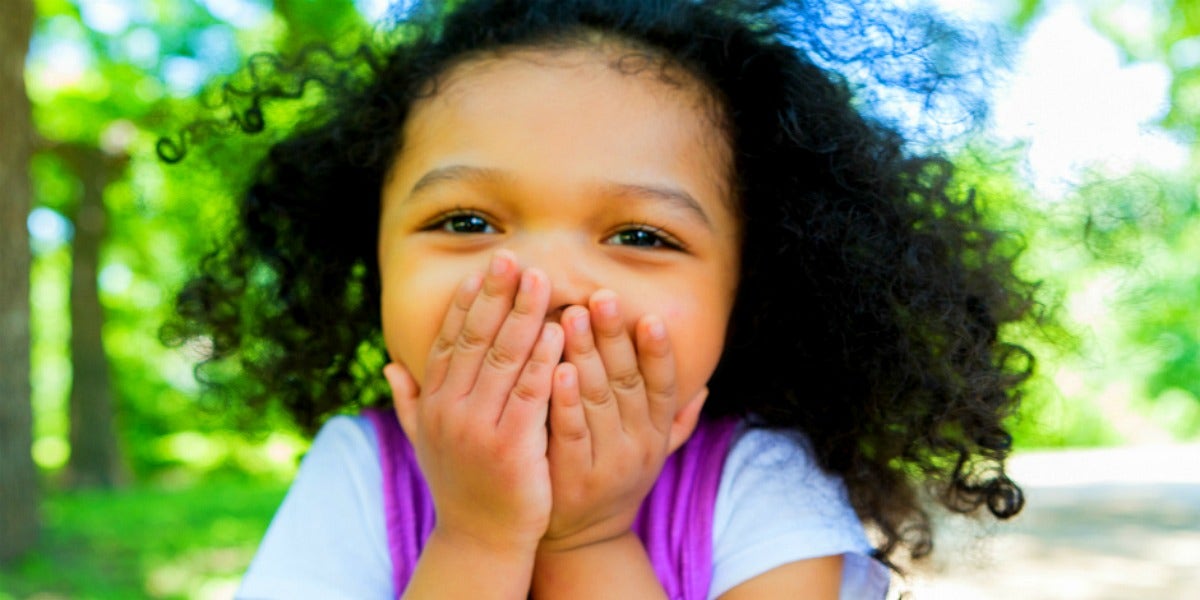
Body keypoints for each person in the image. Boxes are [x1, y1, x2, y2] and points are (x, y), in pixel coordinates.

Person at [163, 0, 1039, 597]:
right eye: (466, 219)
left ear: (750, 289)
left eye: (642, 236)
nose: (540, 284)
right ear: (373, 255)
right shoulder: (359, 470)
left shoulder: (761, 485)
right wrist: (476, 534)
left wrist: (585, 541)